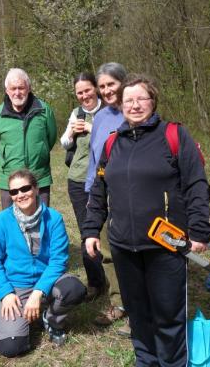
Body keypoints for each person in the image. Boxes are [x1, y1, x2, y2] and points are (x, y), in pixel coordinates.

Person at [83, 74, 210, 366]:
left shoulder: (174, 136)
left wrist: (200, 231)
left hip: (165, 246)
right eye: (128, 100)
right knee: (138, 314)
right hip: (123, 246)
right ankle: (146, 361)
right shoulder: (111, 143)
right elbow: (98, 190)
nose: (135, 104)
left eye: (141, 98)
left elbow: (196, 185)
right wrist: (91, 230)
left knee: (168, 316)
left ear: (153, 102)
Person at [0, 169, 86, 357]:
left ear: (36, 188)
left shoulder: (54, 218)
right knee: (11, 348)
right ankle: (2, 308)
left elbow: (58, 260)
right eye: (14, 191)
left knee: (74, 288)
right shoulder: (3, 220)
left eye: (25, 188)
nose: (20, 195)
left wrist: (38, 292)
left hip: (47, 280)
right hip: (16, 287)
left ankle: (52, 319)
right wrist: (6, 293)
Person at [84, 62, 130, 332]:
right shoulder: (100, 118)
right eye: (102, 87)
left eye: (111, 84)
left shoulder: (135, 111)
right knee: (108, 253)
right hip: (102, 195)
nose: (106, 90)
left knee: (133, 254)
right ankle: (119, 302)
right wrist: (92, 192)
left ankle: (140, 309)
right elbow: (94, 158)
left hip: (131, 197)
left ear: (123, 82)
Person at [59, 72, 105, 300]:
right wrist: (71, 131)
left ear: (96, 88)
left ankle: (116, 278)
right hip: (78, 179)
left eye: (87, 90)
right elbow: (64, 143)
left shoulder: (109, 111)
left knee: (109, 231)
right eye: (79, 92)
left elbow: (112, 139)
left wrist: (91, 128)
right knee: (87, 231)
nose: (84, 95)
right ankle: (96, 282)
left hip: (104, 178)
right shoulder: (75, 114)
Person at [0, 68, 57, 209]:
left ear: (29, 88)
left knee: (41, 223)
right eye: (13, 88)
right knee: (11, 226)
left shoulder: (44, 111)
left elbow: (51, 139)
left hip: (39, 178)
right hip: (9, 180)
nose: (17, 92)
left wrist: (40, 153)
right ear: (7, 90)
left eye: (21, 88)